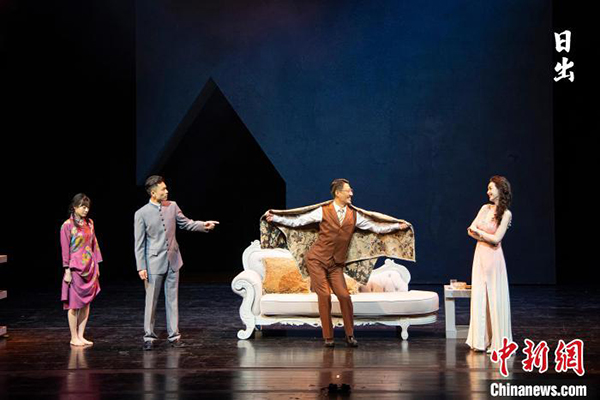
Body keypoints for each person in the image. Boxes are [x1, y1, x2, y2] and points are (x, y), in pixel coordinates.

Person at [265, 179, 409, 347]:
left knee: (344, 296)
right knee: (324, 295)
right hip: (316, 260)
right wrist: (276, 218)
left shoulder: (354, 215)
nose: (351, 193)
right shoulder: (323, 211)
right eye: (348, 191)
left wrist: (396, 226)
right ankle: (328, 337)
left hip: (335, 264)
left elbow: (374, 226)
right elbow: (298, 221)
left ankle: (350, 335)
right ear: (338, 193)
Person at [134, 175, 219, 350]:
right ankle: (149, 337)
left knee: (172, 300)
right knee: (151, 301)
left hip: (173, 260)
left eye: (166, 188)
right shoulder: (141, 213)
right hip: (153, 263)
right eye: (163, 189)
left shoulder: (172, 206)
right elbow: (139, 243)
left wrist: (203, 225)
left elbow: (186, 223)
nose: (166, 191)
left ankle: (174, 336)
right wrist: (141, 266)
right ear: (153, 192)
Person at [466, 175, 513, 353]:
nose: (488, 192)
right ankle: (481, 340)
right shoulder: (484, 208)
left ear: (500, 190)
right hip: (480, 255)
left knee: (494, 296)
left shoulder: (506, 214)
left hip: (494, 258)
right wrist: (483, 235)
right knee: (479, 295)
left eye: (491, 188)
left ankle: (497, 341)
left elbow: (497, 239)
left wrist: (480, 233)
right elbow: (470, 229)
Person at [60, 193, 102, 346]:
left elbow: (94, 244)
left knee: (86, 303)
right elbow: (65, 249)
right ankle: (73, 337)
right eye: (83, 207)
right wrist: (67, 270)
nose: (86, 210)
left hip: (89, 267)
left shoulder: (89, 223)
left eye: (87, 207)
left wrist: (97, 264)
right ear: (74, 207)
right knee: (74, 304)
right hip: (75, 268)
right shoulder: (67, 225)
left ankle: (81, 335)